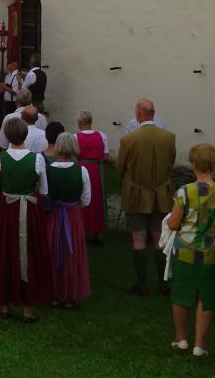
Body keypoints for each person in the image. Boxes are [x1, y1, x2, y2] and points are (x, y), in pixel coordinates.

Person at [167, 143, 215, 356]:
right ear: (213, 164)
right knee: (206, 297)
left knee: (181, 293)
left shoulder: (185, 191)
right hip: (213, 253)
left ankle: (181, 338)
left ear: (194, 164)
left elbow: (174, 224)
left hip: (185, 251)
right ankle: (199, 344)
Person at [0, 117, 54, 322]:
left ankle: (5, 305)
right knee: (29, 253)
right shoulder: (37, 159)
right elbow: (44, 190)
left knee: (6, 252)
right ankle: (27, 308)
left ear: (7, 136)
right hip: (29, 211)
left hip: (8, 210)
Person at [116, 98, 176, 296]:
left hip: (136, 194)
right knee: (160, 239)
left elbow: (120, 167)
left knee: (139, 238)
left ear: (138, 114)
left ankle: (142, 284)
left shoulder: (129, 139)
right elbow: (170, 164)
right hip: (161, 194)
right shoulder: (169, 137)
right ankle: (163, 283)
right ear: (153, 113)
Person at [46, 132, 92, 309]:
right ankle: (70, 296)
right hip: (72, 215)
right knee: (72, 253)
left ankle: (53, 294)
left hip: (54, 215)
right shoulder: (81, 170)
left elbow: (44, 194)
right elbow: (86, 200)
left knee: (52, 251)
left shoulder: (48, 170)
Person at [75, 110, 109, 240]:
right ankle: (98, 231)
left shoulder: (75, 137)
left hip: (81, 169)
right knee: (97, 198)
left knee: (82, 197)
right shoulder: (101, 135)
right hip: (96, 170)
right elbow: (106, 156)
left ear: (79, 123)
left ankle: (82, 230)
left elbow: (73, 154)